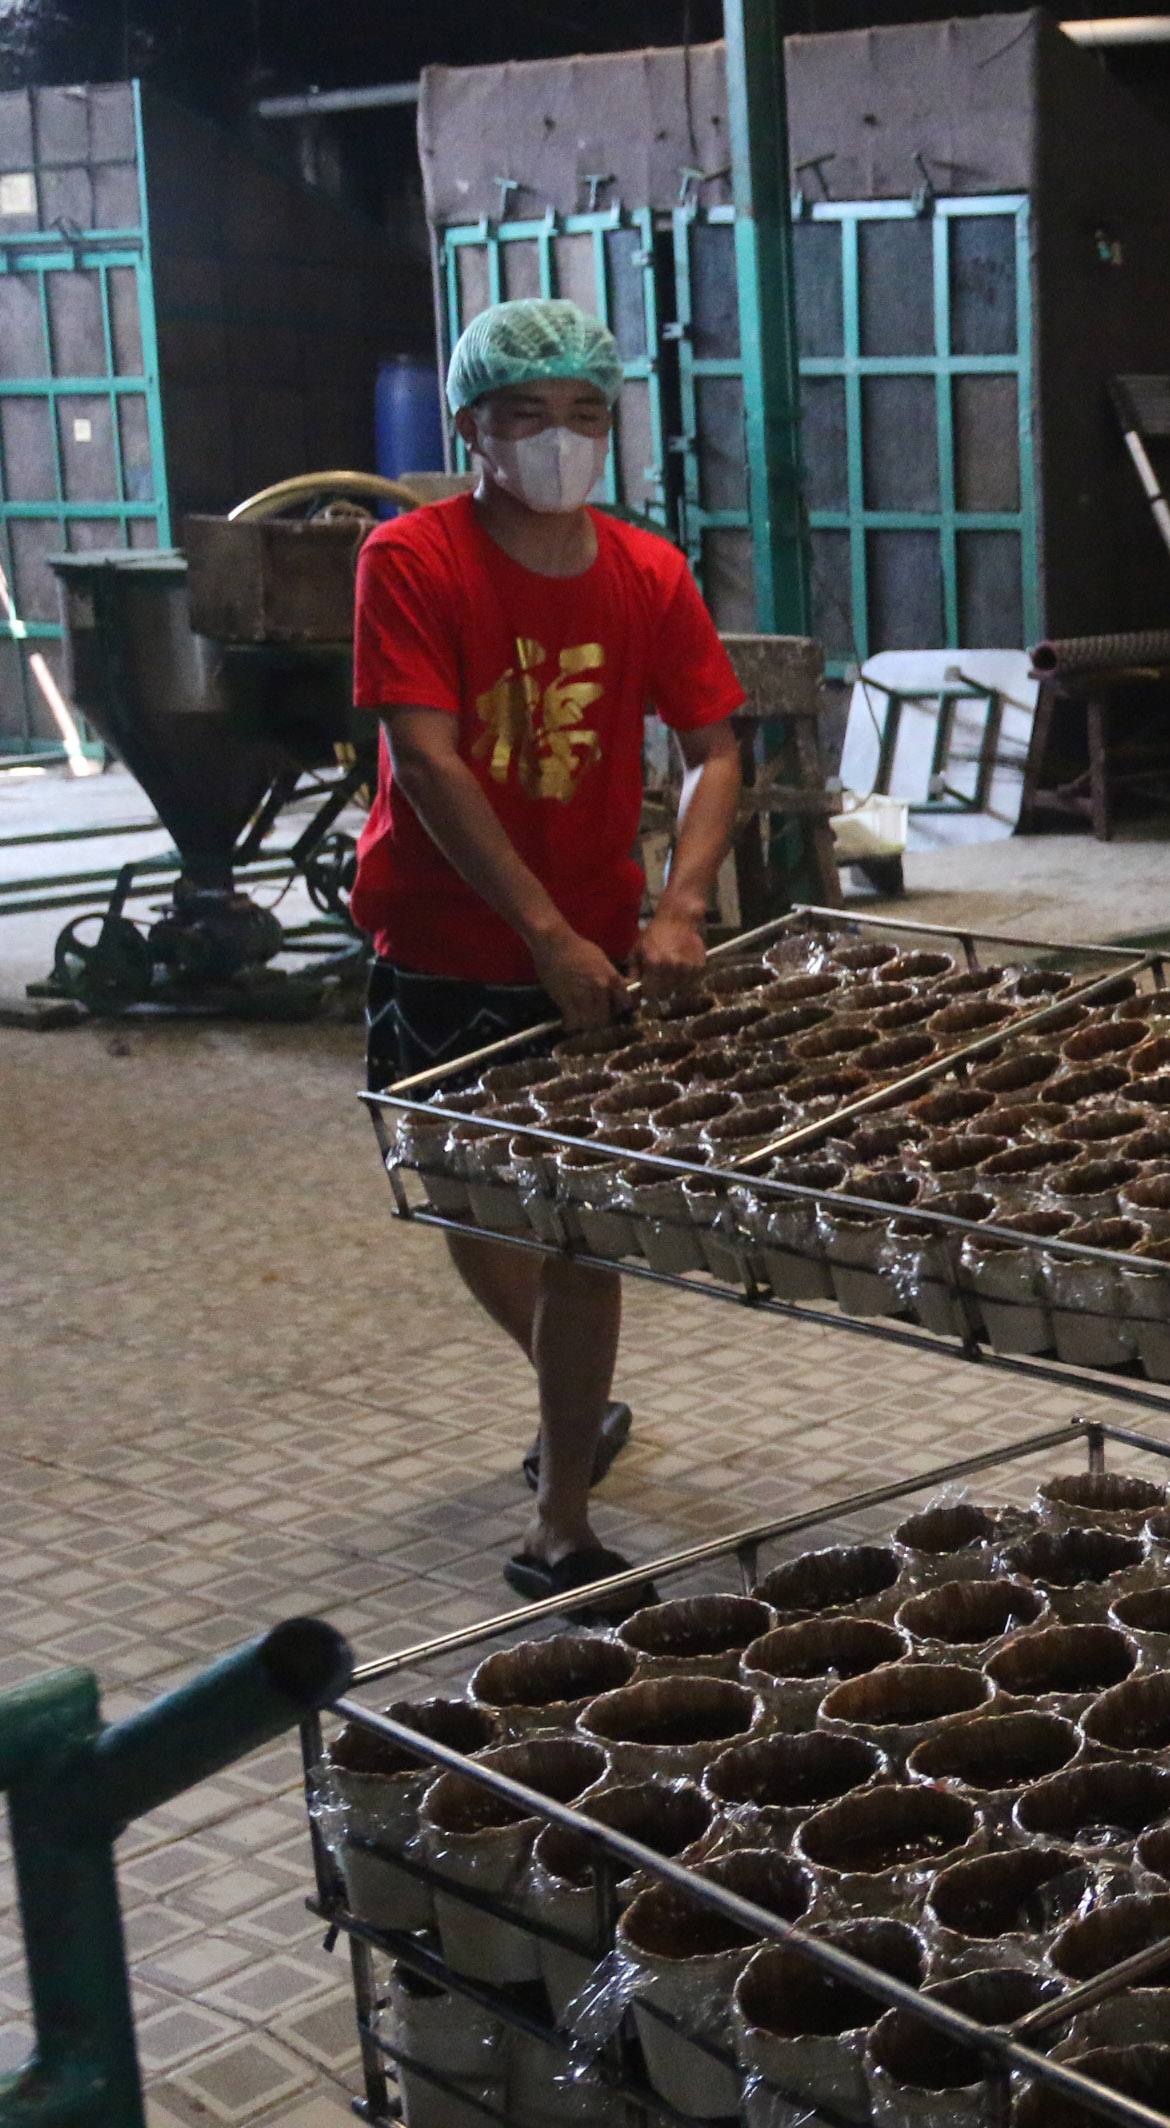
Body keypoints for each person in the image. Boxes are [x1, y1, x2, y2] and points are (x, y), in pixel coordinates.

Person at [349, 297, 746, 1613]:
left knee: (583, 1229)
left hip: (598, 947)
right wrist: (543, 931)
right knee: (467, 1198)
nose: (560, 440)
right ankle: (566, 1390)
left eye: (586, 415)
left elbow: (716, 747)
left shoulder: (647, 572)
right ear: (471, 424)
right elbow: (429, 756)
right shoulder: (411, 562)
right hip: (450, 938)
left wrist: (680, 903)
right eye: (530, 415)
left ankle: (559, 1519)